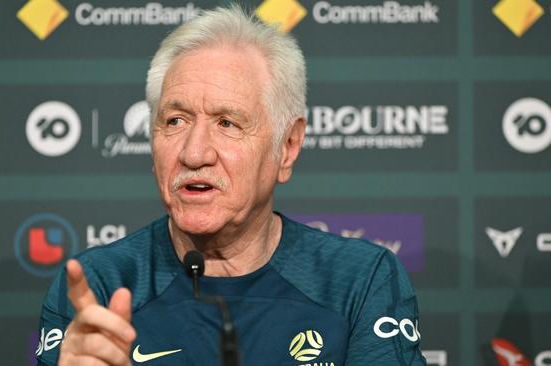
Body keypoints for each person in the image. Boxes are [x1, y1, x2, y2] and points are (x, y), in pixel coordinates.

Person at [37, 5, 426, 366]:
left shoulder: (358, 280)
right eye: (175, 120)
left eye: (227, 123)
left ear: (287, 147)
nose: (194, 153)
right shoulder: (101, 285)